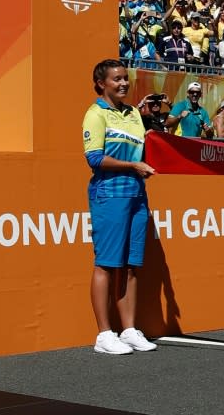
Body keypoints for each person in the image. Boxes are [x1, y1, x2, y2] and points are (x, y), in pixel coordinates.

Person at [82, 59, 158, 355]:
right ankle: (104, 334)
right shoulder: (95, 114)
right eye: (117, 79)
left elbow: (142, 148)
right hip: (109, 195)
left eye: (126, 78)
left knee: (130, 266)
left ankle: (128, 330)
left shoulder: (134, 114)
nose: (124, 83)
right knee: (106, 264)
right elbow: (95, 159)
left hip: (137, 194)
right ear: (101, 83)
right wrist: (132, 165)